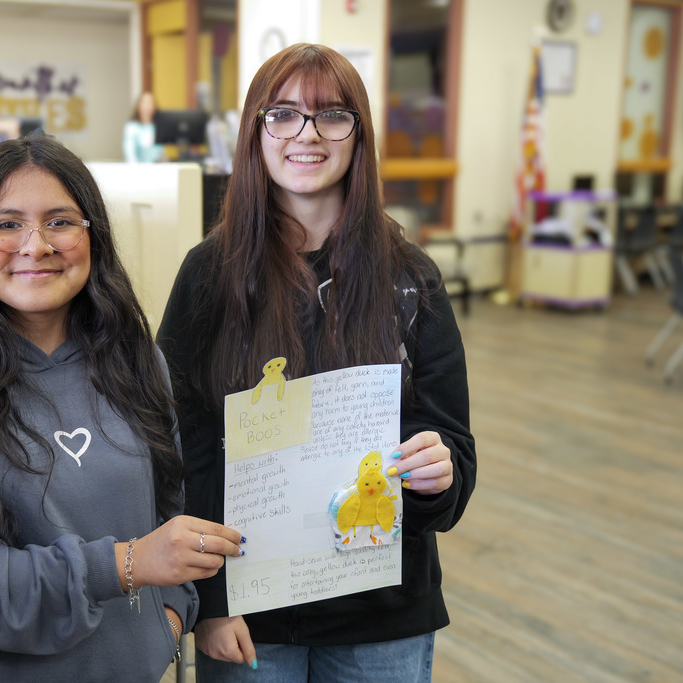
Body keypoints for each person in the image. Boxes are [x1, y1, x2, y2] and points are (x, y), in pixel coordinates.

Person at [157, 43, 476, 681]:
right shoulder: (209, 275)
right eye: (282, 114)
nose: (307, 133)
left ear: (359, 135)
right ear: (255, 132)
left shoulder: (410, 279)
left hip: (382, 615)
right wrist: (209, 604)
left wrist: (438, 476)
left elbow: (456, 454)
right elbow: (179, 448)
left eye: (332, 114)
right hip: (251, 619)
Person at [0, 134, 244, 682]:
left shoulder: (138, 359)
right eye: (6, 224)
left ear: (91, 235)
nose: (36, 244)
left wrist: (168, 615)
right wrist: (125, 565)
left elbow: (172, 503)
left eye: (60, 221)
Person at [123, 91, 163, 163]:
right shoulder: (132, 127)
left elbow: (160, 154)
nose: (147, 106)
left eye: (150, 103)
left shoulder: (158, 127)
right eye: (145, 103)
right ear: (139, 105)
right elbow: (129, 153)